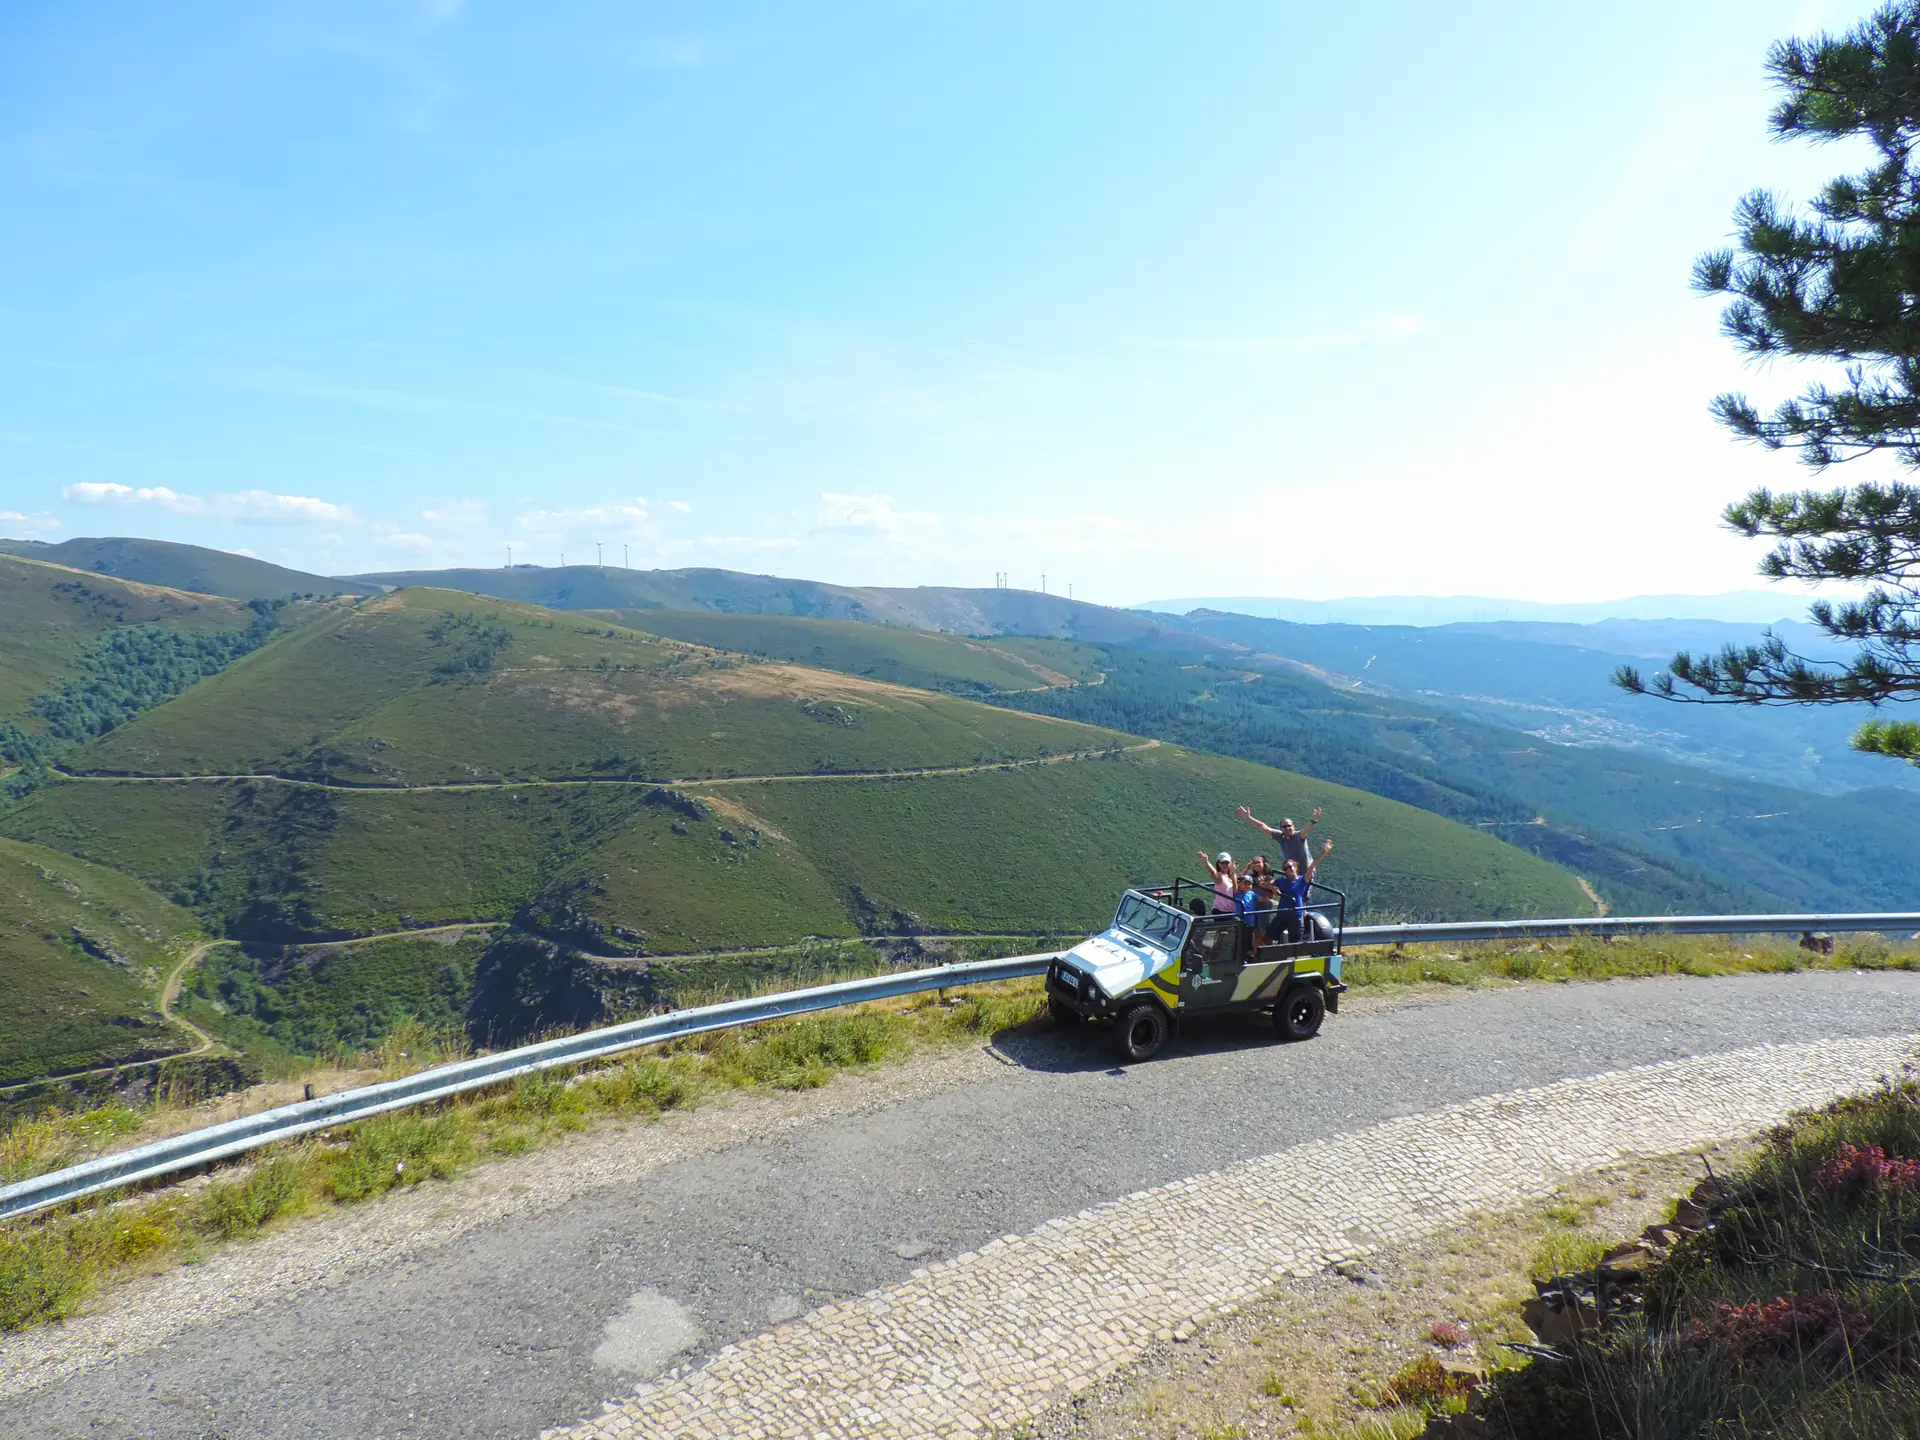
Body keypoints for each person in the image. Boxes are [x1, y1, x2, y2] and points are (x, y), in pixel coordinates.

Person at [1237, 805, 1323, 878]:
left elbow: (1306, 829)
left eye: (1289, 826)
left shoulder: (1299, 836)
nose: (1287, 828)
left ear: (1294, 826)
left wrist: (1314, 820)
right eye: (1284, 827)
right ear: (1281, 828)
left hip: (1307, 873)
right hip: (1292, 873)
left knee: (1303, 896)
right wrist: (1248, 818)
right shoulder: (1280, 836)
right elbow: (1264, 827)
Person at [1273, 840, 1334, 943]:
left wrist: (1323, 853)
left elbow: (1311, 866)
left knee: (1295, 942)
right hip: (1282, 914)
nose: (1289, 869)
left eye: (1290, 866)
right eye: (1286, 868)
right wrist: (1272, 888)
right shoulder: (1281, 881)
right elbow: (1267, 883)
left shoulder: (1302, 880)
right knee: (1268, 937)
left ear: (1295, 867)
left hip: (1296, 914)